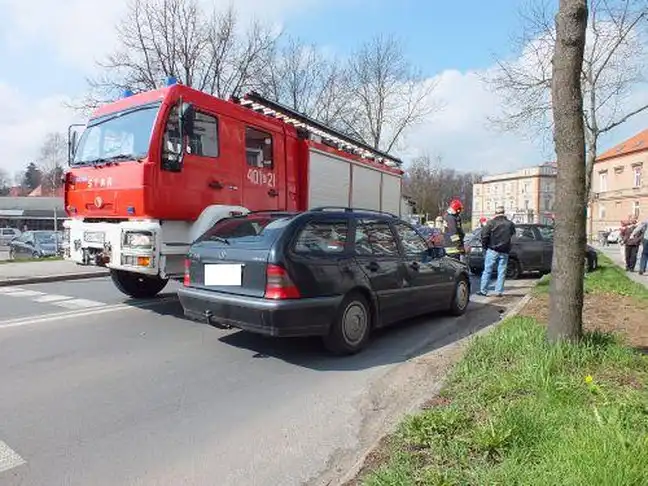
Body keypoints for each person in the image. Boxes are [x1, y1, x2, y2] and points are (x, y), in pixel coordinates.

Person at [478, 206, 516, 297]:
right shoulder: (510, 224)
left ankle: (483, 290)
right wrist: (508, 247)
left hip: (492, 249)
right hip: (505, 250)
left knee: (487, 270)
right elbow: (513, 236)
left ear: (496, 213)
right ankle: (499, 291)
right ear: (504, 212)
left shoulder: (491, 223)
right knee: (502, 271)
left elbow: (484, 236)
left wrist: (485, 247)